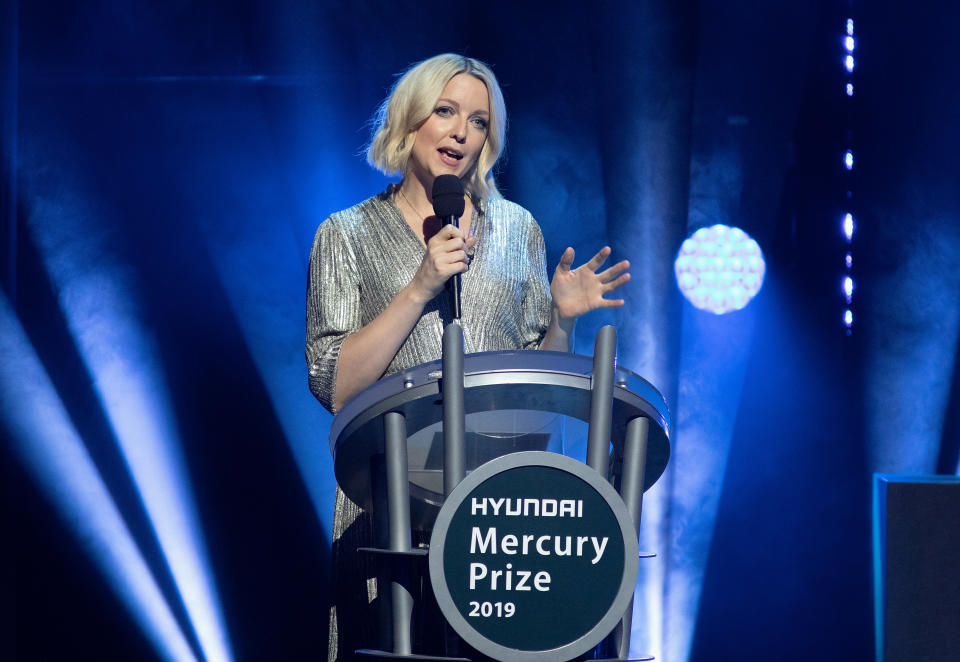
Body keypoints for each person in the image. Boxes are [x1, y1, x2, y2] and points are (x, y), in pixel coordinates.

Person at [306, 53, 630, 661]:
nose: (461, 132)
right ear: (409, 121)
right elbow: (339, 388)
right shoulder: (345, 234)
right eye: (446, 112)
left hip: (499, 518)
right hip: (390, 509)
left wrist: (559, 319)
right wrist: (422, 284)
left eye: (478, 122)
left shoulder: (517, 231)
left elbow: (538, 389)